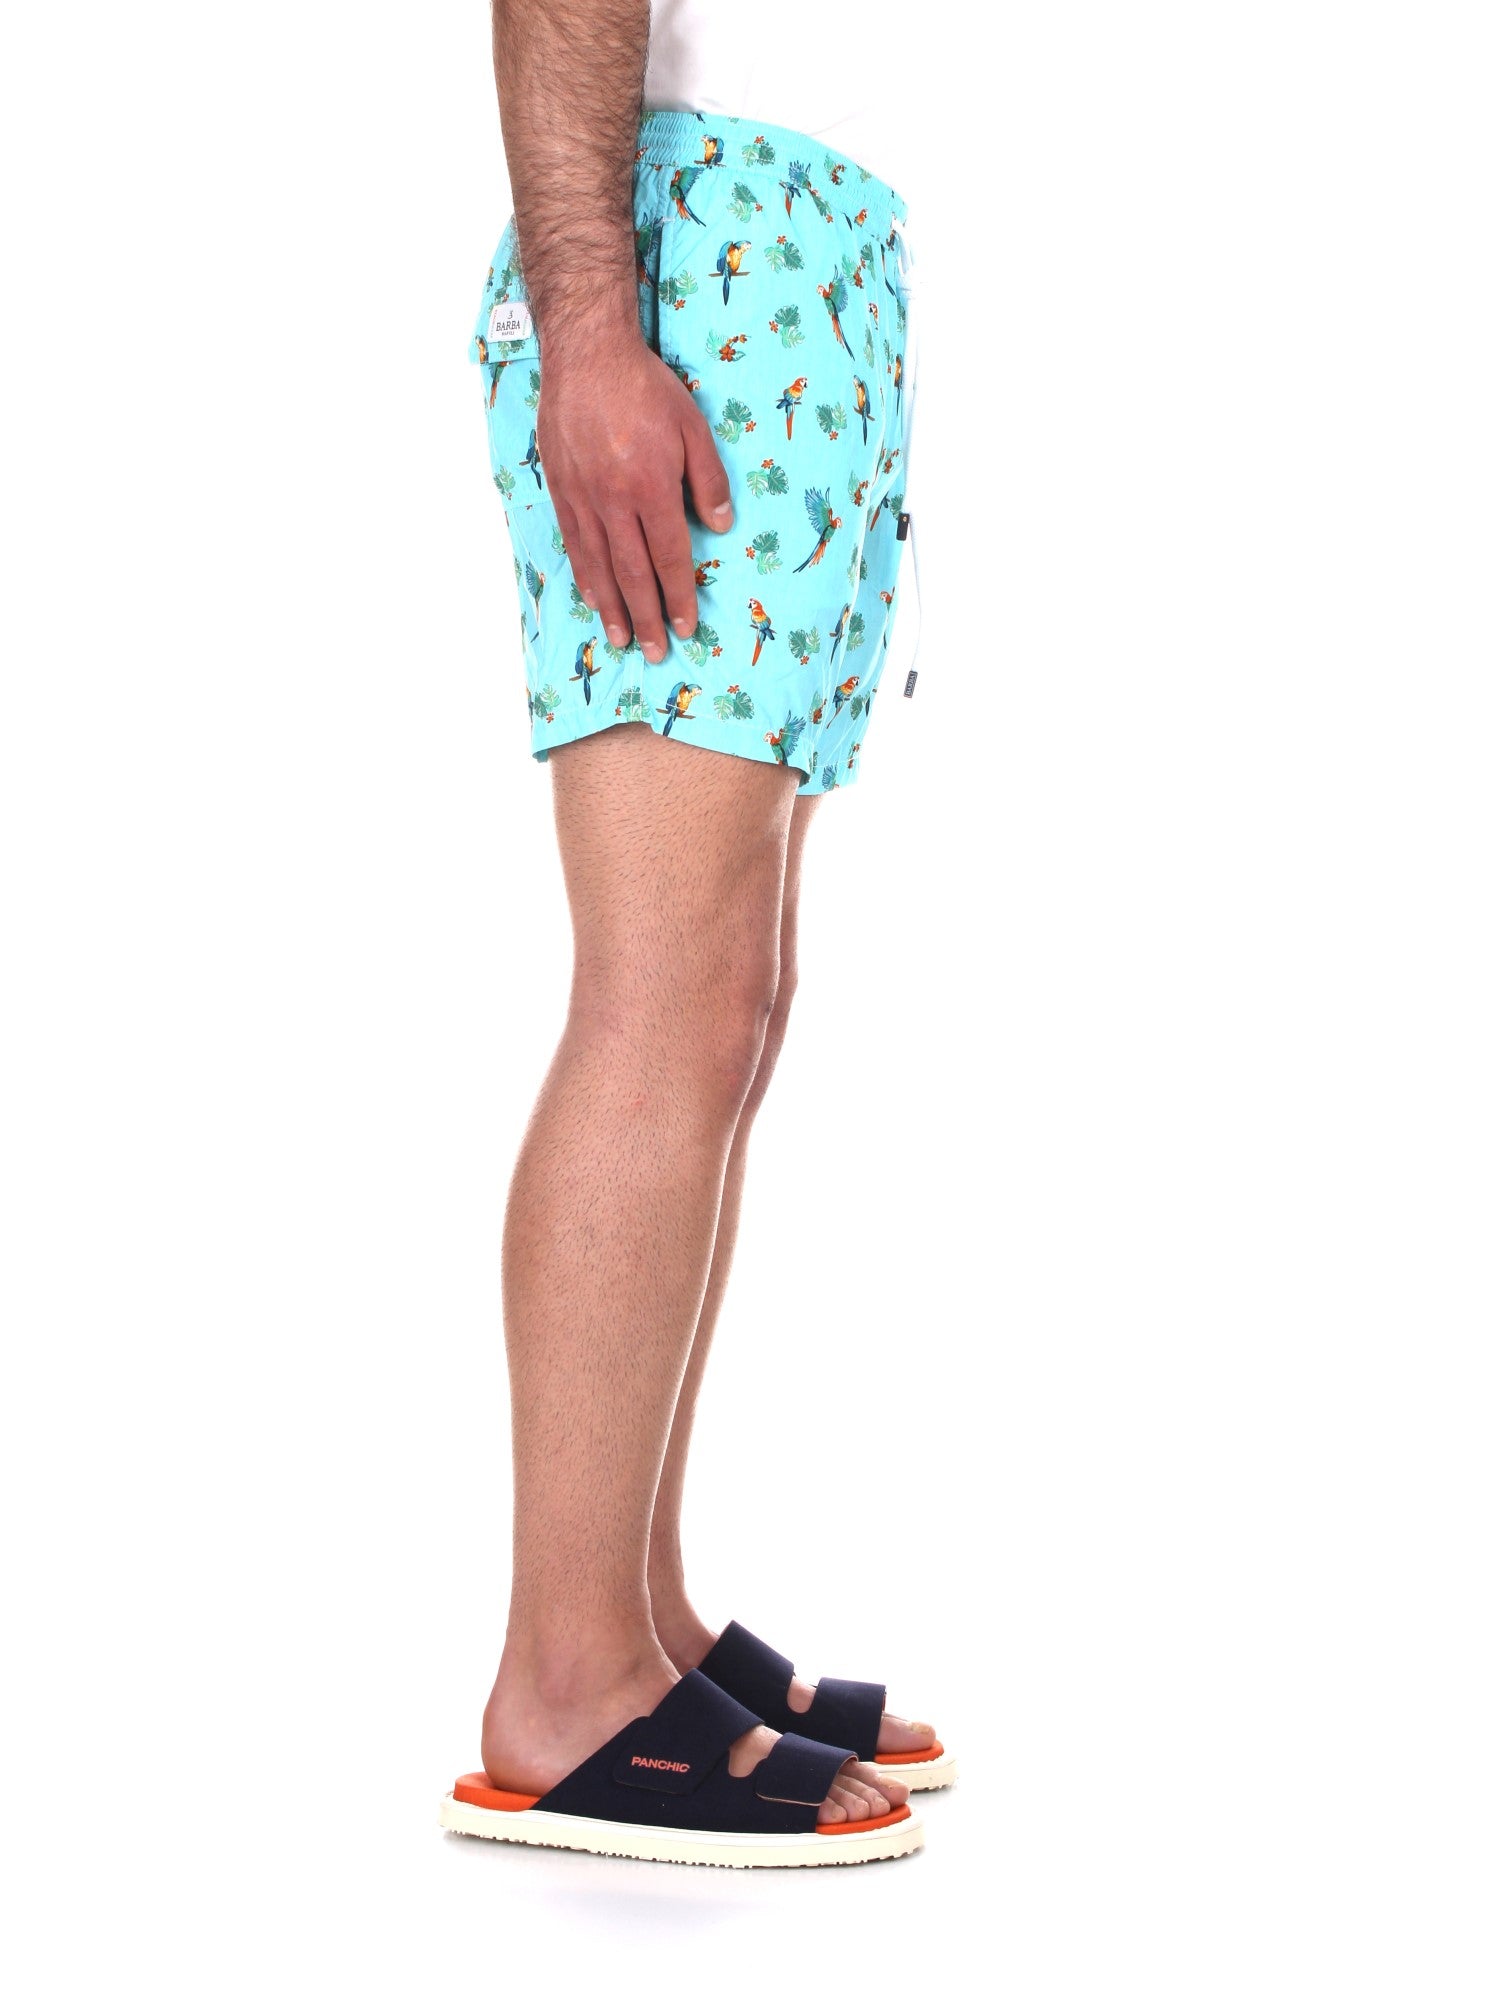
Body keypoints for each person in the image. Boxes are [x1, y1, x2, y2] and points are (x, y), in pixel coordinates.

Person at [440, 0, 951, 1868]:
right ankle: (564, 1678)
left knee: (734, 998)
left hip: (806, 250)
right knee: (662, 995)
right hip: (696, 256)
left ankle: (638, 1621)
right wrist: (591, 325)